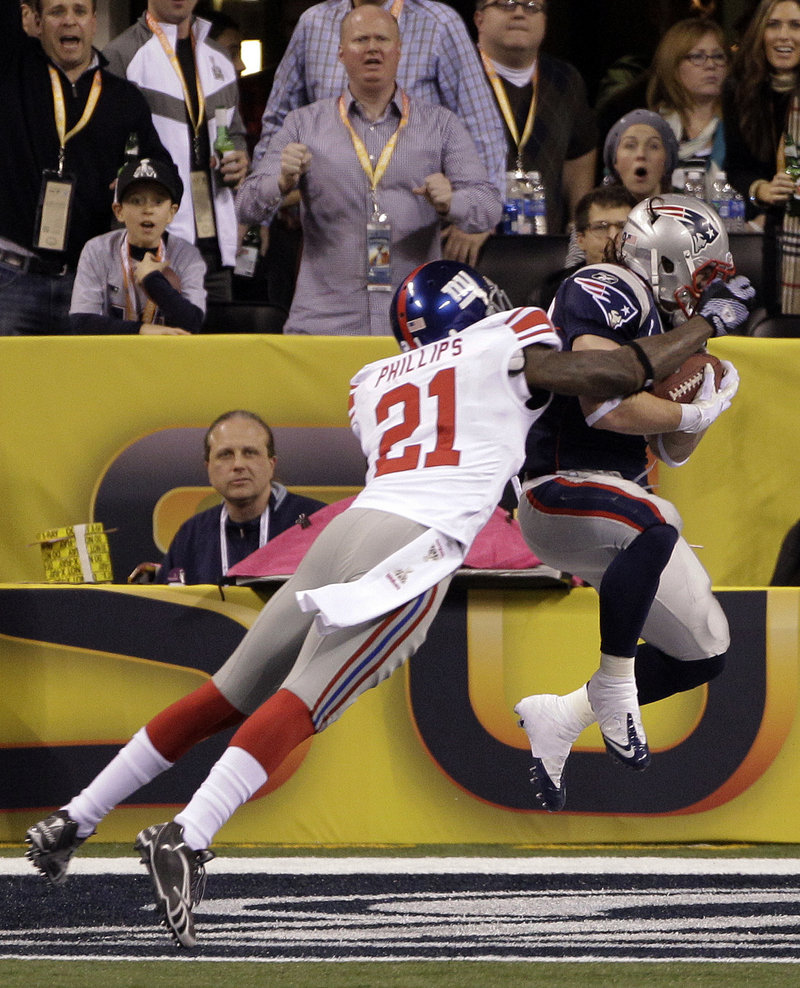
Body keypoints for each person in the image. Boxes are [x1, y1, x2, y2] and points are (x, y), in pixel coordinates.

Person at [23, 251, 749, 945]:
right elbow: (614, 371)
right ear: (476, 310)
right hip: (411, 547)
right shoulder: (510, 334)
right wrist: (704, 326)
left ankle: (73, 819)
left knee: (229, 690)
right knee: (305, 697)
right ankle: (188, 835)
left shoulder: (373, 377)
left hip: (347, 527)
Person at [514, 194, 754, 813]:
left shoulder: (659, 320)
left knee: (705, 649)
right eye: (702, 273)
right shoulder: (606, 284)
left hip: (617, 500)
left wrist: (707, 400)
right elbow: (606, 403)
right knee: (658, 521)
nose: (706, 290)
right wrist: (693, 404)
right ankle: (616, 680)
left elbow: (670, 450)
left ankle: (561, 716)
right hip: (559, 485)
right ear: (668, 260)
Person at [236, 4, 502, 336]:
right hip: (324, 322)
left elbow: (489, 209)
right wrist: (280, 181)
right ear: (341, 53)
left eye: (382, 39)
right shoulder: (303, 125)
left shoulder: (441, 126)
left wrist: (453, 203)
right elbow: (245, 204)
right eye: (361, 40)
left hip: (413, 325)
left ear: (400, 51)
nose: (373, 48)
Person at [0, 0, 171, 336]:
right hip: (11, 279)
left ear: (94, 22)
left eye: (79, 11)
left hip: (86, 284)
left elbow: (163, 168)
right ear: (35, 20)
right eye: (56, 12)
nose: (69, 22)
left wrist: (138, 180)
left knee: (80, 388)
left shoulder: (124, 99)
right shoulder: (11, 73)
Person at [103, 0, 250, 302]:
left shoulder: (219, 56)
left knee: (219, 346)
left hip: (216, 245)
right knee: (159, 345)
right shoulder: (120, 55)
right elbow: (107, 149)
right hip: (153, 245)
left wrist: (238, 157)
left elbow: (233, 132)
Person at [128, 410, 326, 586]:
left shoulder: (315, 523)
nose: (238, 464)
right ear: (208, 468)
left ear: (271, 464)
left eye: (250, 453)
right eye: (225, 455)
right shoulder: (191, 535)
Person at [473, 0, 597, 238]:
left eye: (531, 6)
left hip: (546, 245)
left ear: (545, 21)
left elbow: (580, 155)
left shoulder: (565, 79)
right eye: (506, 4)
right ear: (480, 19)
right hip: (470, 243)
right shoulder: (453, 75)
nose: (520, 13)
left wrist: (578, 226)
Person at [69, 157, 206, 335]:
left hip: (168, 357)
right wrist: (141, 330)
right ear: (119, 211)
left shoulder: (186, 256)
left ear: (171, 212)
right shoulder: (97, 250)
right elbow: (81, 322)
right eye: (136, 201)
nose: (148, 210)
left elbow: (192, 324)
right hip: (112, 357)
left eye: (158, 201)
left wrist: (152, 279)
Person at [723, 0, 800, 313]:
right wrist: (762, 188)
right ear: (759, 33)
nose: (784, 35)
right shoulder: (740, 90)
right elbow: (737, 168)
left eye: (796, 25)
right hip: (779, 233)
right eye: (773, 24)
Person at [646, 18, 729, 196]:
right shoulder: (650, 129)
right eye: (698, 56)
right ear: (673, 65)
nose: (711, 65)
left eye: (718, 56)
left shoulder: (740, 125)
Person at [531, 184, 636, 310]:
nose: (613, 236)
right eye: (601, 227)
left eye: (623, 227)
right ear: (580, 239)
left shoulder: (654, 288)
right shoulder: (555, 292)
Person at [602, 108, 680, 202]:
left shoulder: (686, 211)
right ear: (615, 161)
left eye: (653, 146)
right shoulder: (597, 213)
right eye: (630, 146)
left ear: (667, 160)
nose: (641, 154)